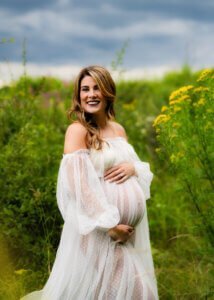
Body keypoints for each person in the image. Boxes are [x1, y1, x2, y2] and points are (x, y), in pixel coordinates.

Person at [21, 65, 159, 300]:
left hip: (123, 233)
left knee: (107, 293)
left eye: (97, 87)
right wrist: (111, 226)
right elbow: (79, 188)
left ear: (108, 92)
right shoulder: (78, 131)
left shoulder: (118, 129)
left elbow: (137, 168)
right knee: (138, 292)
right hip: (99, 231)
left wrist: (132, 167)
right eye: (85, 89)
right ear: (78, 95)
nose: (91, 94)